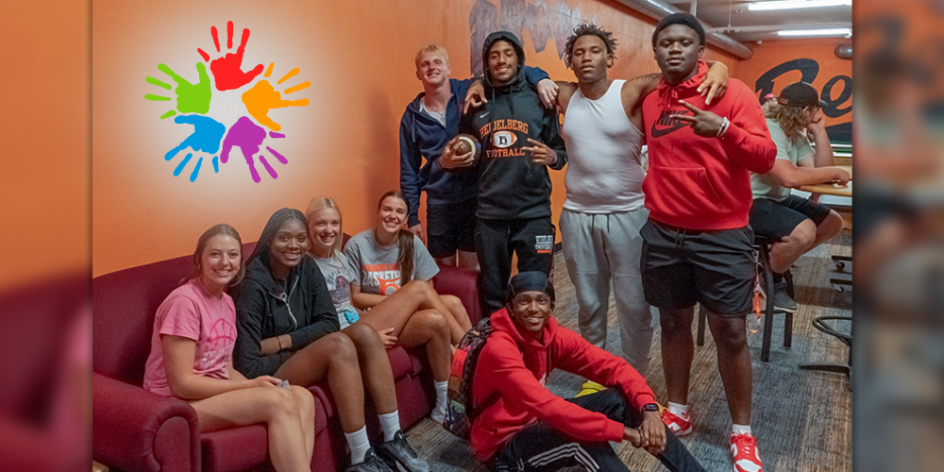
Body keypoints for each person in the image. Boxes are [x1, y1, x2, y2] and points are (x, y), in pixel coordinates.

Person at [551, 23, 728, 387]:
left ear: (609, 57)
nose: (586, 58)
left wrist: (718, 68)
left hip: (628, 215)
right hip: (578, 216)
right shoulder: (565, 96)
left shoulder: (629, 90)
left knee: (633, 306)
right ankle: (594, 375)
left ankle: (632, 380)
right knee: (589, 306)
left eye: (595, 51)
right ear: (570, 61)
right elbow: (521, 77)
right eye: (579, 52)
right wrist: (538, 80)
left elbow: (682, 74)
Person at [640, 13, 776, 472]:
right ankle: (676, 408)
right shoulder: (650, 97)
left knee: (731, 332)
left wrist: (722, 129)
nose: (674, 50)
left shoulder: (732, 92)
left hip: (722, 233)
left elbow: (764, 157)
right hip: (662, 230)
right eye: (665, 43)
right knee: (673, 324)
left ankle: (741, 432)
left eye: (684, 43)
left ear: (702, 52)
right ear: (655, 51)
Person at [231, 209, 428, 472]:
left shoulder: (306, 266)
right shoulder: (251, 284)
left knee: (366, 333)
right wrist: (305, 351)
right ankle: (360, 458)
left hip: (288, 351)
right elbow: (249, 366)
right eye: (284, 238)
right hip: (267, 373)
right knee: (338, 345)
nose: (294, 246)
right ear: (268, 240)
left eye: (301, 238)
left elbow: (328, 322)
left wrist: (284, 341)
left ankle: (393, 438)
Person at [469, 271, 706, 472]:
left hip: (535, 420)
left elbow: (615, 368)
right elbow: (550, 408)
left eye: (541, 301)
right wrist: (624, 433)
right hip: (502, 447)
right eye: (523, 301)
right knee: (583, 440)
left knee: (623, 399)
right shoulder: (499, 350)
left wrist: (650, 410)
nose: (533, 309)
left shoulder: (553, 337)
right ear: (510, 308)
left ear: (551, 306)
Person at [143, 224, 315, 472]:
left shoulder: (228, 302)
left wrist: (258, 387)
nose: (224, 262)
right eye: (215, 254)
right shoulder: (184, 302)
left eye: (233, 254)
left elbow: (224, 367)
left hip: (210, 396)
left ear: (240, 262)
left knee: (302, 397)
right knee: (277, 402)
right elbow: (181, 384)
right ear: (199, 259)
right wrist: (250, 387)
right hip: (173, 405)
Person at [306, 195, 467, 423]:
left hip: (359, 322)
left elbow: (347, 306)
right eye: (321, 223)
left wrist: (362, 321)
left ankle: (445, 406)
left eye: (334, 224)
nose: (329, 230)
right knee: (418, 289)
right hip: (346, 334)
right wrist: (366, 337)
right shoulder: (305, 266)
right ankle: (471, 351)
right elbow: (327, 317)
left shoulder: (338, 258)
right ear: (308, 226)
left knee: (436, 320)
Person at [440, 31, 568, 317]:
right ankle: (498, 351)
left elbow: (562, 153)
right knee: (494, 292)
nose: (501, 60)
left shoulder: (539, 99)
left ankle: (536, 355)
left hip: (534, 213)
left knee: (536, 290)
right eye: (494, 55)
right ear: (487, 62)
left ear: (519, 59)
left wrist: (553, 157)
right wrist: (459, 154)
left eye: (508, 54)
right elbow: (469, 150)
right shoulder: (476, 102)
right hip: (490, 215)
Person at [400, 44, 557, 270]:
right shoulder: (411, 118)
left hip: (474, 198)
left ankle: (471, 307)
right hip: (439, 203)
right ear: (418, 73)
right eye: (425, 64)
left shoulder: (468, 91)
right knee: (441, 271)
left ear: (448, 68)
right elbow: (408, 170)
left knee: (471, 270)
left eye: (437, 62)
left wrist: (541, 78)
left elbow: (509, 70)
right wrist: (412, 216)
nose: (432, 68)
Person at [750, 81, 850, 312]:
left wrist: (820, 132)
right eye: (816, 109)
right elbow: (789, 177)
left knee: (832, 222)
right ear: (806, 111)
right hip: (748, 201)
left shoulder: (794, 132)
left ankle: (769, 266)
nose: (818, 114)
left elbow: (819, 171)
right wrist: (835, 172)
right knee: (804, 232)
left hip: (774, 198)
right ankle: (772, 275)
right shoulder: (769, 128)